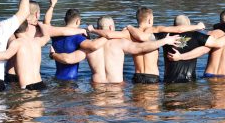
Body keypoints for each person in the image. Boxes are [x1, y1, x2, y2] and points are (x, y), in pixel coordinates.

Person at [92, 7, 209, 84]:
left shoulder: (128, 33)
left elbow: (108, 34)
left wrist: (93, 30)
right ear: (149, 20)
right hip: (152, 77)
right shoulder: (155, 30)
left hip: (137, 77)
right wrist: (197, 26)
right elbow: (178, 29)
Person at [50, 16, 179, 84]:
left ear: (97, 27)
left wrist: (54, 54)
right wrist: (165, 41)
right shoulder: (120, 43)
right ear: (112, 27)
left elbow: (69, 59)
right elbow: (142, 47)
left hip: (97, 87)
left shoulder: (89, 46)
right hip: (116, 88)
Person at [155, 15, 225, 83]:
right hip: (189, 80)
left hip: (168, 80)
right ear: (189, 24)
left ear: (173, 25)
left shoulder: (165, 36)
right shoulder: (197, 35)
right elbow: (219, 43)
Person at [0, 20, 50, 91]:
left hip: (28, 87)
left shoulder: (17, 43)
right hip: (41, 84)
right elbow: (47, 37)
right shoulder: (37, 41)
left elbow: (5, 55)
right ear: (27, 29)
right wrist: (40, 24)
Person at [43, 0, 105, 80]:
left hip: (57, 78)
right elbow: (93, 46)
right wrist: (108, 35)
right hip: (71, 81)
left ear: (65, 20)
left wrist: (52, 5)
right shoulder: (79, 37)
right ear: (78, 21)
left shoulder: (55, 35)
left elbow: (46, 23)